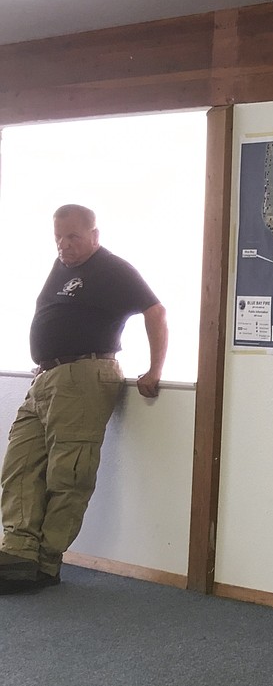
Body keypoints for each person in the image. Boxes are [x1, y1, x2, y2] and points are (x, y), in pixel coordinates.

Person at [0, 204, 167, 594]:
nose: (64, 245)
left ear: (95, 234)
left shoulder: (112, 269)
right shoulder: (61, 267)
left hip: (84, 375)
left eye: (73, 236)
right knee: (18, 465)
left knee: (68, 473)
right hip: (46, 377)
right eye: (58, 237)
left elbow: (156, 312)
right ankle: (17, 553)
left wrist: (154, 370)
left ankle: (45, 561)